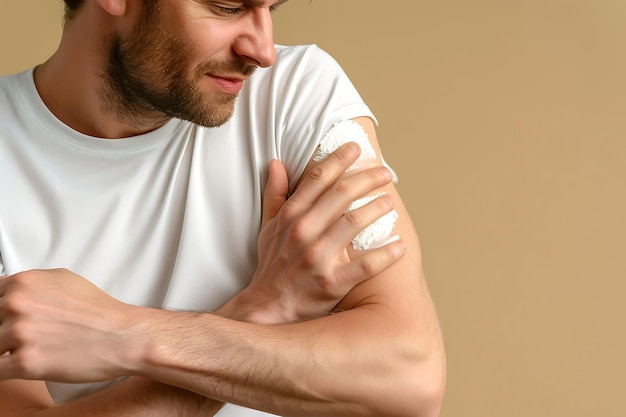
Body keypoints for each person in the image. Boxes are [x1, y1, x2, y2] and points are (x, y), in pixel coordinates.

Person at [0, 1, 446, 416]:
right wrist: (263, 311)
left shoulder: (295, 93)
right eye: (227, 6)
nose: (263, 50)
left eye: (270, 8)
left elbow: (410, 376)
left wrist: (126, 335)